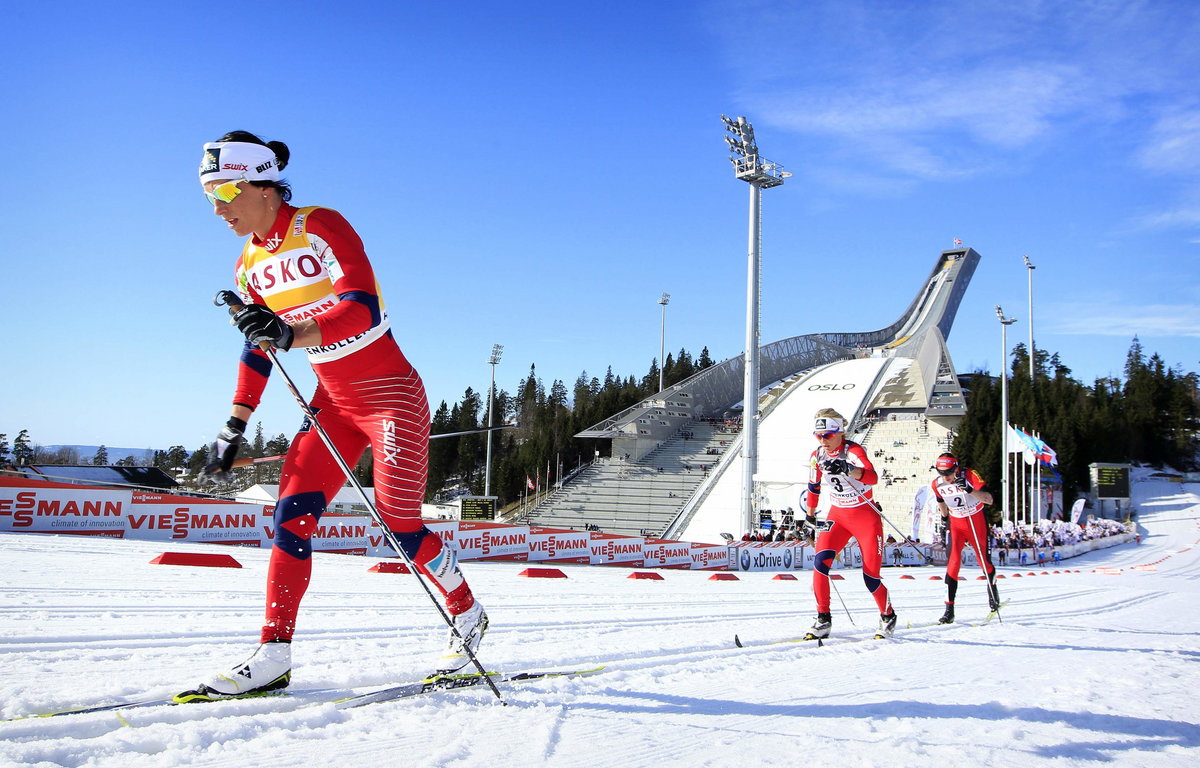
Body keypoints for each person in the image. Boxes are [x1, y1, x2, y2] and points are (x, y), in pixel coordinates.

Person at [182, 132, 487, 700]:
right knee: (289, 517)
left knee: (400, 527)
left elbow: (360, 308)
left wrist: (289, 331)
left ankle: (467, 614)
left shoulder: (321, 224)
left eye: (223, 192)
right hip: (332, 405)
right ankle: (273, 653)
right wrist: (235, 423)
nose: (218, 208)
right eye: (207, 198)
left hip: (391, 398)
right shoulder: (249, 266)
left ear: (263, 183)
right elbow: (258, 348)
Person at [801, 409, 897, 640]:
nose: (822, 440)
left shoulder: (852, 451)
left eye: (827, 435)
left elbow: (873, 477)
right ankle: (823, 619)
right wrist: (810, 518)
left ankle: (888, 615)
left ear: (840, 432)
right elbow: (814, 487)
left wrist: (848, 468)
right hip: (837, 516)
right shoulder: (817, 455)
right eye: (818, 435)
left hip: (864, 516)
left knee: (870, 575)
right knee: (819, 564)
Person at [931, 453, 998, 623]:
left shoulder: (970, 475)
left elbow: (989, 500)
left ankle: (993, 593)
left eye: (948, 473)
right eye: (941, 473)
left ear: (956, 469)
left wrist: (969, 489)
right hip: (956, 524)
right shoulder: (937, 483)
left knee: (983, 560)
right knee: (952, 564)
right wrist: (944, 518)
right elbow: (940, 501)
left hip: (976, 521)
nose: (945, 477)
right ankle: (949, 610)